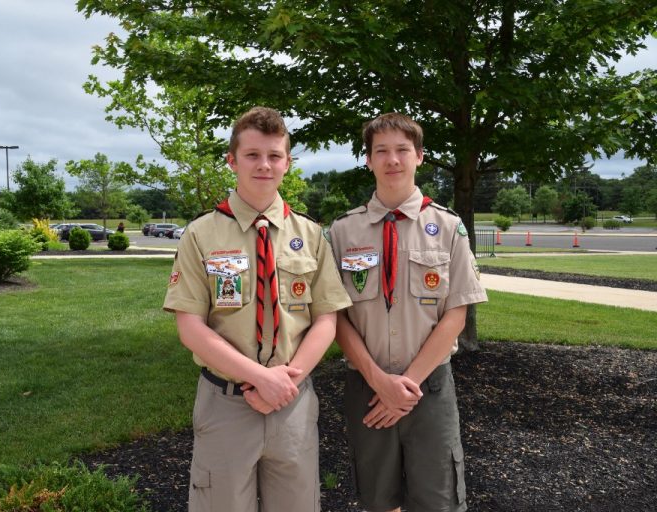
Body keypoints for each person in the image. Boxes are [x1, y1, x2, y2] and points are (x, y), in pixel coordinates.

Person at [163, 106, 352, 512]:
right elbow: (190, 327)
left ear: (287, 162)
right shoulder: (202, 234)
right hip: (227, 404)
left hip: (294, 403)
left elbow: (326, 319)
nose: (264, 165)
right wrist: (258, 379)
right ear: (232, 160)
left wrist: (284, 382)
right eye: (252, 155)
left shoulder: (310, 234)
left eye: (274, 156)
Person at [329, 112, 488, 512]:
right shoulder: (343, 232)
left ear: (419, 156)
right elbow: (336, 316)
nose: (392, 159)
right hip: (366, 386)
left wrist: (405, 386)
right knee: (378, 499)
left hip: (429, 388)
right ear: (367, 160)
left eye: (402, 150)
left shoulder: (448, 226)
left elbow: (457, 313)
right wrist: (378, 381)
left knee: (437, 500)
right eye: (381, 151)